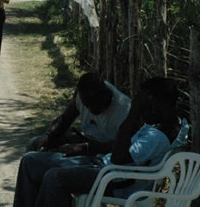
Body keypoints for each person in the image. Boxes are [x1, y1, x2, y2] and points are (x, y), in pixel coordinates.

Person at [13, 76, 189, 207]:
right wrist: (86, 148)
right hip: (105, 166)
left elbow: (118, 158)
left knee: (55, 177)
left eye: (145, 104)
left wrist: (133, 113)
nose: (143, 110)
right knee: (30, 161)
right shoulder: (171, 122)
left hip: (117, 180)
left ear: (161, 104)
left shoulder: (157, 136)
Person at [27, 72, 131, 154]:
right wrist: (50, 135)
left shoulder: (124, 110)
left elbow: (125, 147)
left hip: (103, 152)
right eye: (87, 105)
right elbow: (66, 119)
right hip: (85, 140)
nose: (90, 109)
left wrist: (86, 148)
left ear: (105, 95)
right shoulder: (83, 94)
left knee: (54, 174)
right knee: (34, 143)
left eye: (94, 104)